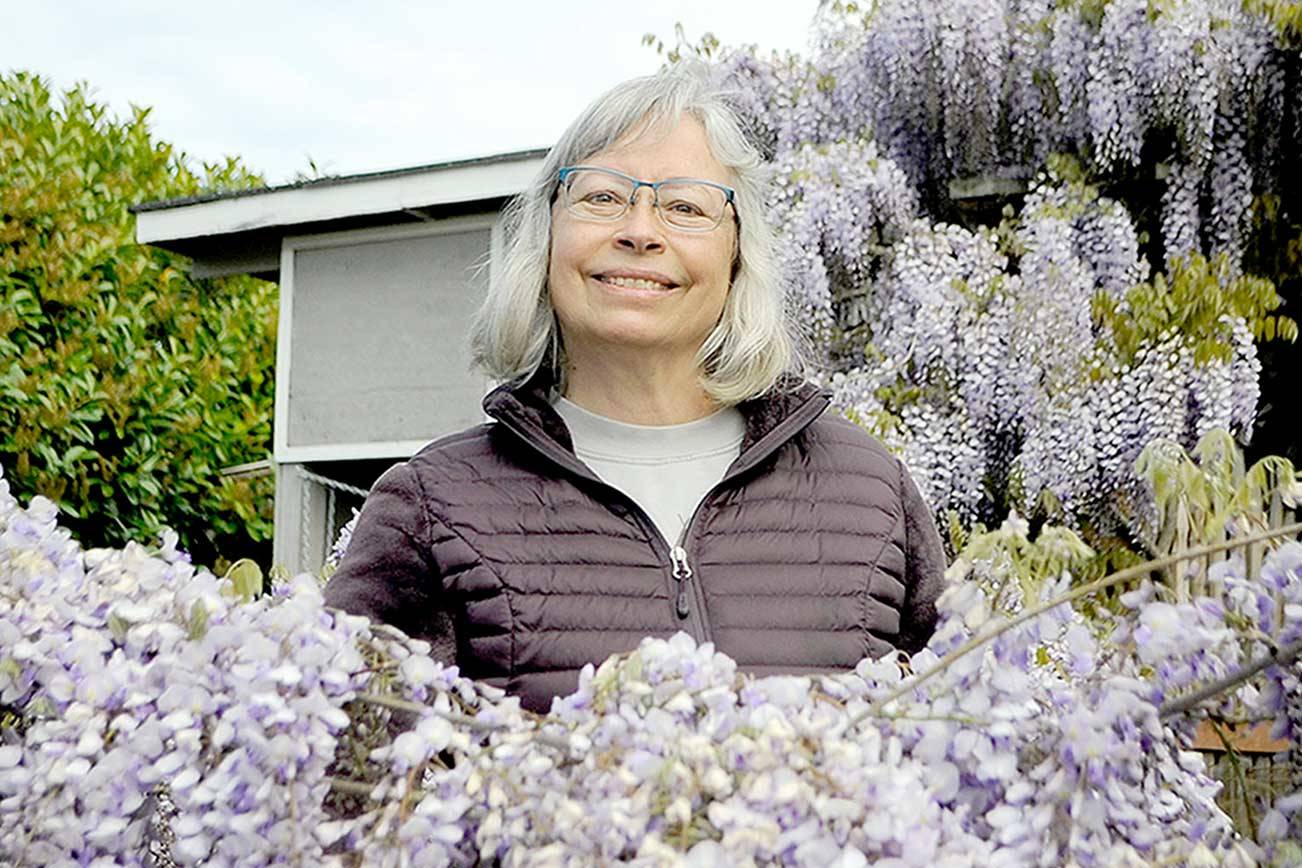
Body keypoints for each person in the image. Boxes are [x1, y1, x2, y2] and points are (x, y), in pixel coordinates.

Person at [323, 63, 946, 713]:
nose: (641, 232)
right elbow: (354, 775)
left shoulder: (869, 492)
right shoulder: (433, 504)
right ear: (545, 238)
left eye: (685, 206)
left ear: (738, 256)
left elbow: (953, 758)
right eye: (602, 197)